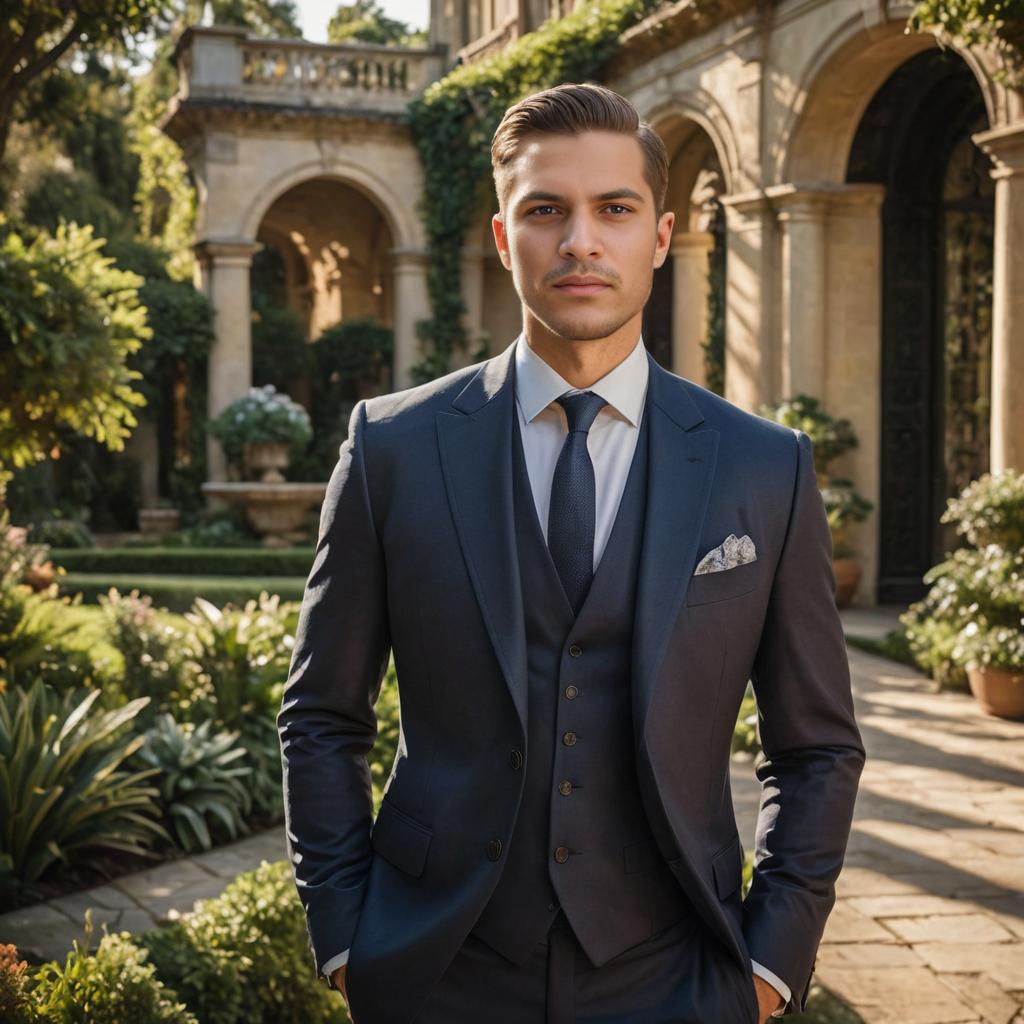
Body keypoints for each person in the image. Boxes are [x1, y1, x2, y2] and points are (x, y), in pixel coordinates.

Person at [277, 81, 865, 1024]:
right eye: (546, 210)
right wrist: (349, 939)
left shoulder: (764, 465)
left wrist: (769, 966)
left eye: (615, 210)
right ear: (506, 240)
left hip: (680, 972)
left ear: (661, 237)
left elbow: (817, 746)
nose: (581, 241)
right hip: (436, 969)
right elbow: (320, 716)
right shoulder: (391, 447)